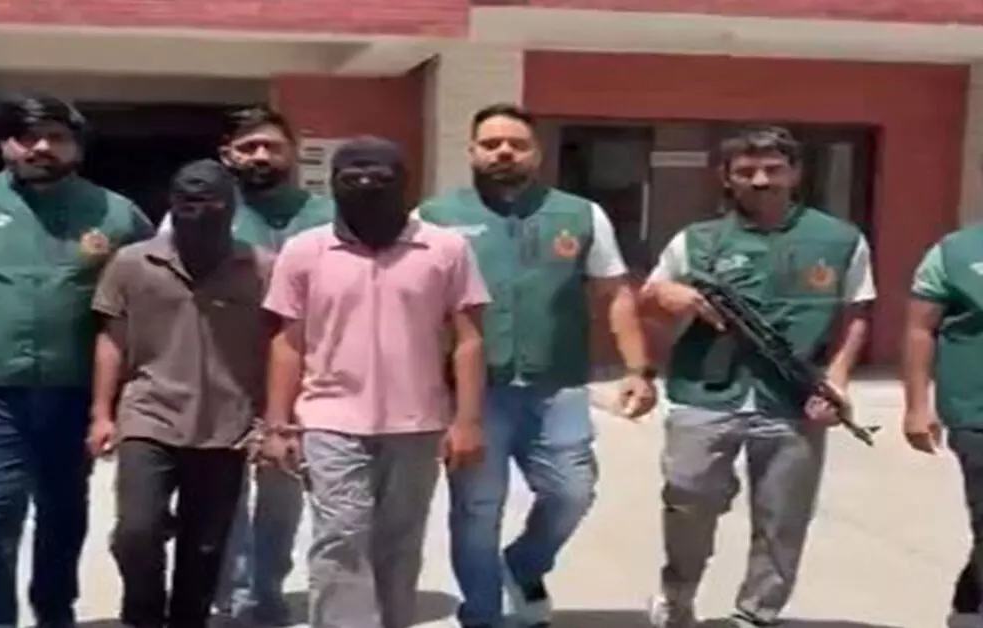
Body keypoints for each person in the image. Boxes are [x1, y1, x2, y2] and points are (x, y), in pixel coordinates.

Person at [0, 95, 154, 628]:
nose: (41, 147)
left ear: (78, 148)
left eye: (57, 137)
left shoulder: (117, 213)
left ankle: (54, 612)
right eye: (26, 136)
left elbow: (158, 288)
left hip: (75, 390)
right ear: (5, 144)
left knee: (64, 509)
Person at [416, 103, 658, 628]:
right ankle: (483, 614)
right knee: (477, 510)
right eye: (491, 144)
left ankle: (524, 565)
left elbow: (614, 292)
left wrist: (637, 369)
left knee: (572, 492)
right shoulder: (434, 217)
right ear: (472, 151)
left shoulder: (581, 215)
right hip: (474, 392)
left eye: (517, 144)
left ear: (537, 153)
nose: (504, 152)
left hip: (558, 386)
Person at [639, 125, 875, 628]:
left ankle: (757, 613)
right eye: (746, 171)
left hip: (793, 397)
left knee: (783, 516)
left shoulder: (839, 239)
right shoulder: (697, 241)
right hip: (704, 393)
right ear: (726, 178)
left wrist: (837, 381)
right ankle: (677, 593)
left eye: (773, 169)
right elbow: (650, 299)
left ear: (796, 173)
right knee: (687, 498)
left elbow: (856, 313)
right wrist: (669, 297)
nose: (761, 180)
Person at [258, 136, 490, 628]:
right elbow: (288, 342)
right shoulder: (305, 250)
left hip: (417, 422)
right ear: (333, 184)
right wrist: (277, 425)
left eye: (380, 178)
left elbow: (468, 340)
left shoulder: (446, 249)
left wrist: (467, 421)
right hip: (329, 418)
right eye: (353, 177)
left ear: (404, 183)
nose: (366, 186)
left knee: (399, 541)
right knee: (340, 536)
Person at [162, 106, 334, 626]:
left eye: (272, 146)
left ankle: (267, 589)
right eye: (248, 147)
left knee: (282, 491)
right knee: (223, 493)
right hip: (221, 370)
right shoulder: (197, 211)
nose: (260, 155)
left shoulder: (329, 214)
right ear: (226, 155)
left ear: (292, 153)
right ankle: (232, 593)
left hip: (304, 372)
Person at [88, 159, 271, 628]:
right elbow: (112, 340)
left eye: (210, 201)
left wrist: (270, 420)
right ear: (171, 205)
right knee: (136, 532)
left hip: (226, 424)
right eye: (187, 202)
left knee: (205, 546)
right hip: (148, 416)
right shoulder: (132, 263)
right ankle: (144, 614)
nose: (199, 211)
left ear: (231, 206)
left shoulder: (259, 267)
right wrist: (101, 414)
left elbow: (278, 345)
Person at [901, 222, 983, 628]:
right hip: (975, 410)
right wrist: (917, 405)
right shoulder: (954, 253)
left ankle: (968, 607)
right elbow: (921, 328)